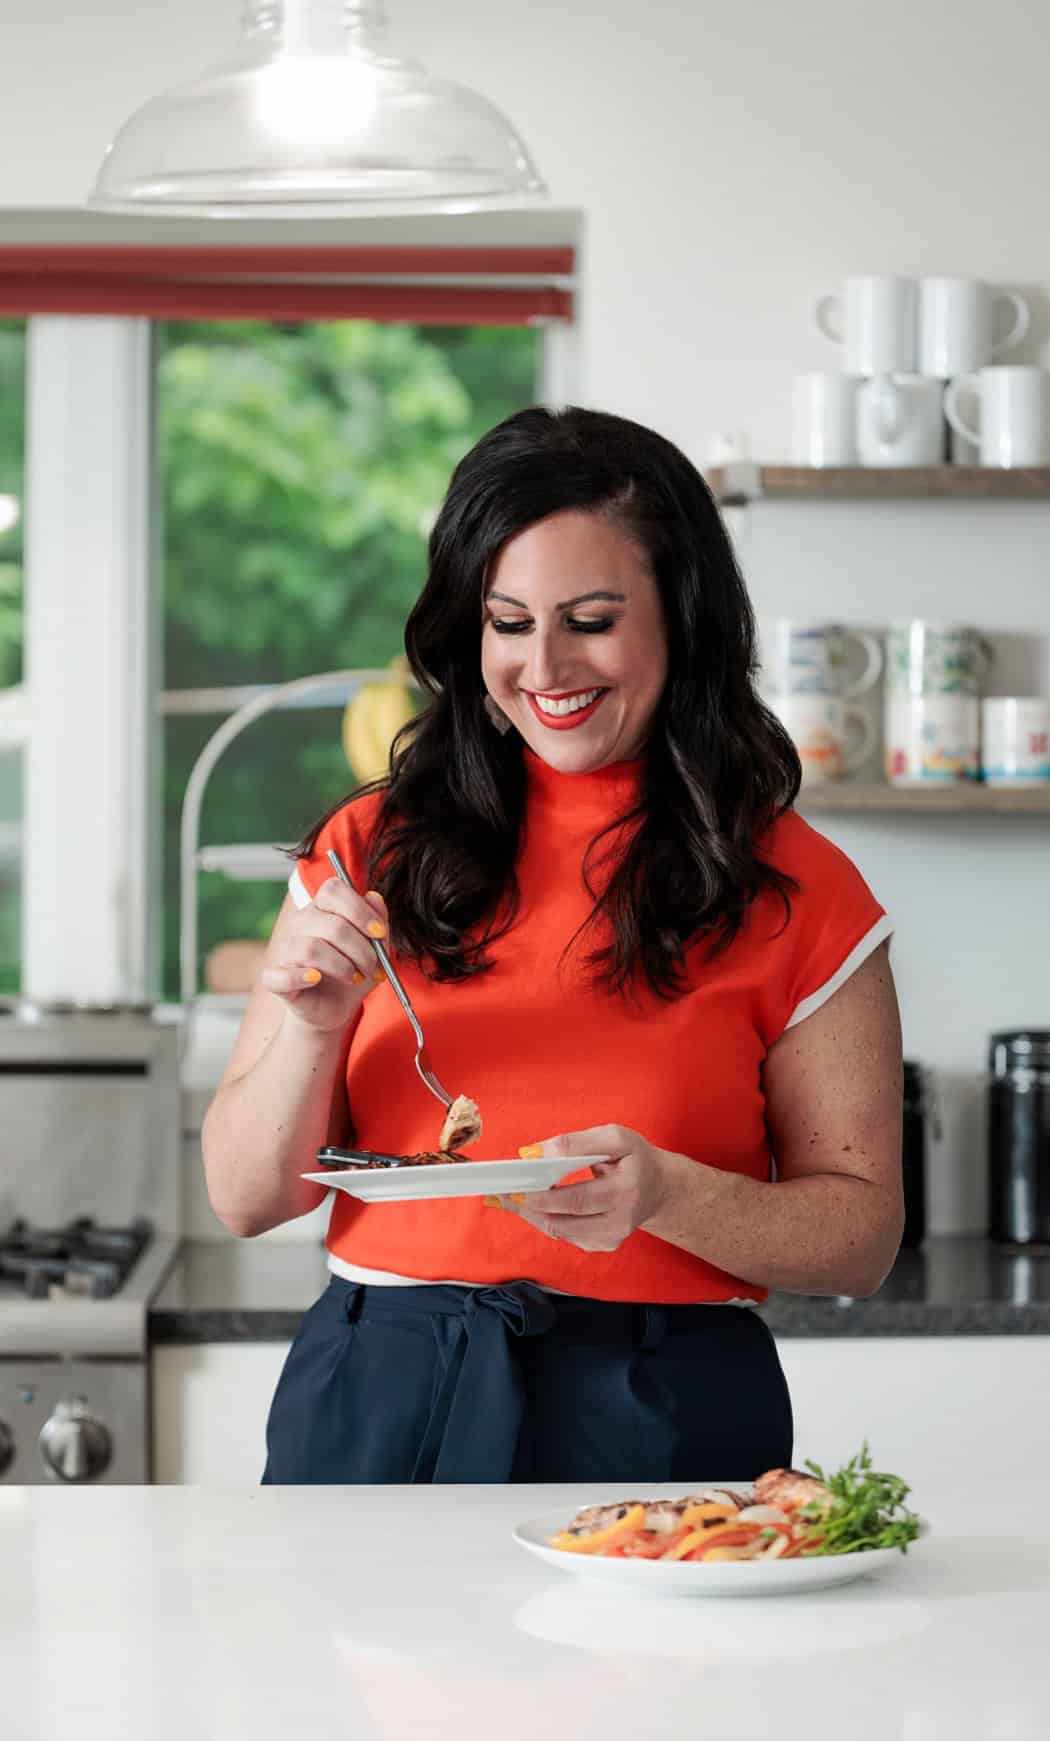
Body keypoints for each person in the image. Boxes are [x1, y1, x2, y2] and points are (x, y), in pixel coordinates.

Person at [201, 405, 903, 1485]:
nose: (546, 664)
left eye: (590, 617)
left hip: (664, 1400)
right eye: (509, 621)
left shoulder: (798, 885)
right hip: (382, 1383)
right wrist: (313, 1024)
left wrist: (670, 1193)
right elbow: (247, 1196)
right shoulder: (368, 849)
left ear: (683, 617)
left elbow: (860, 1237)